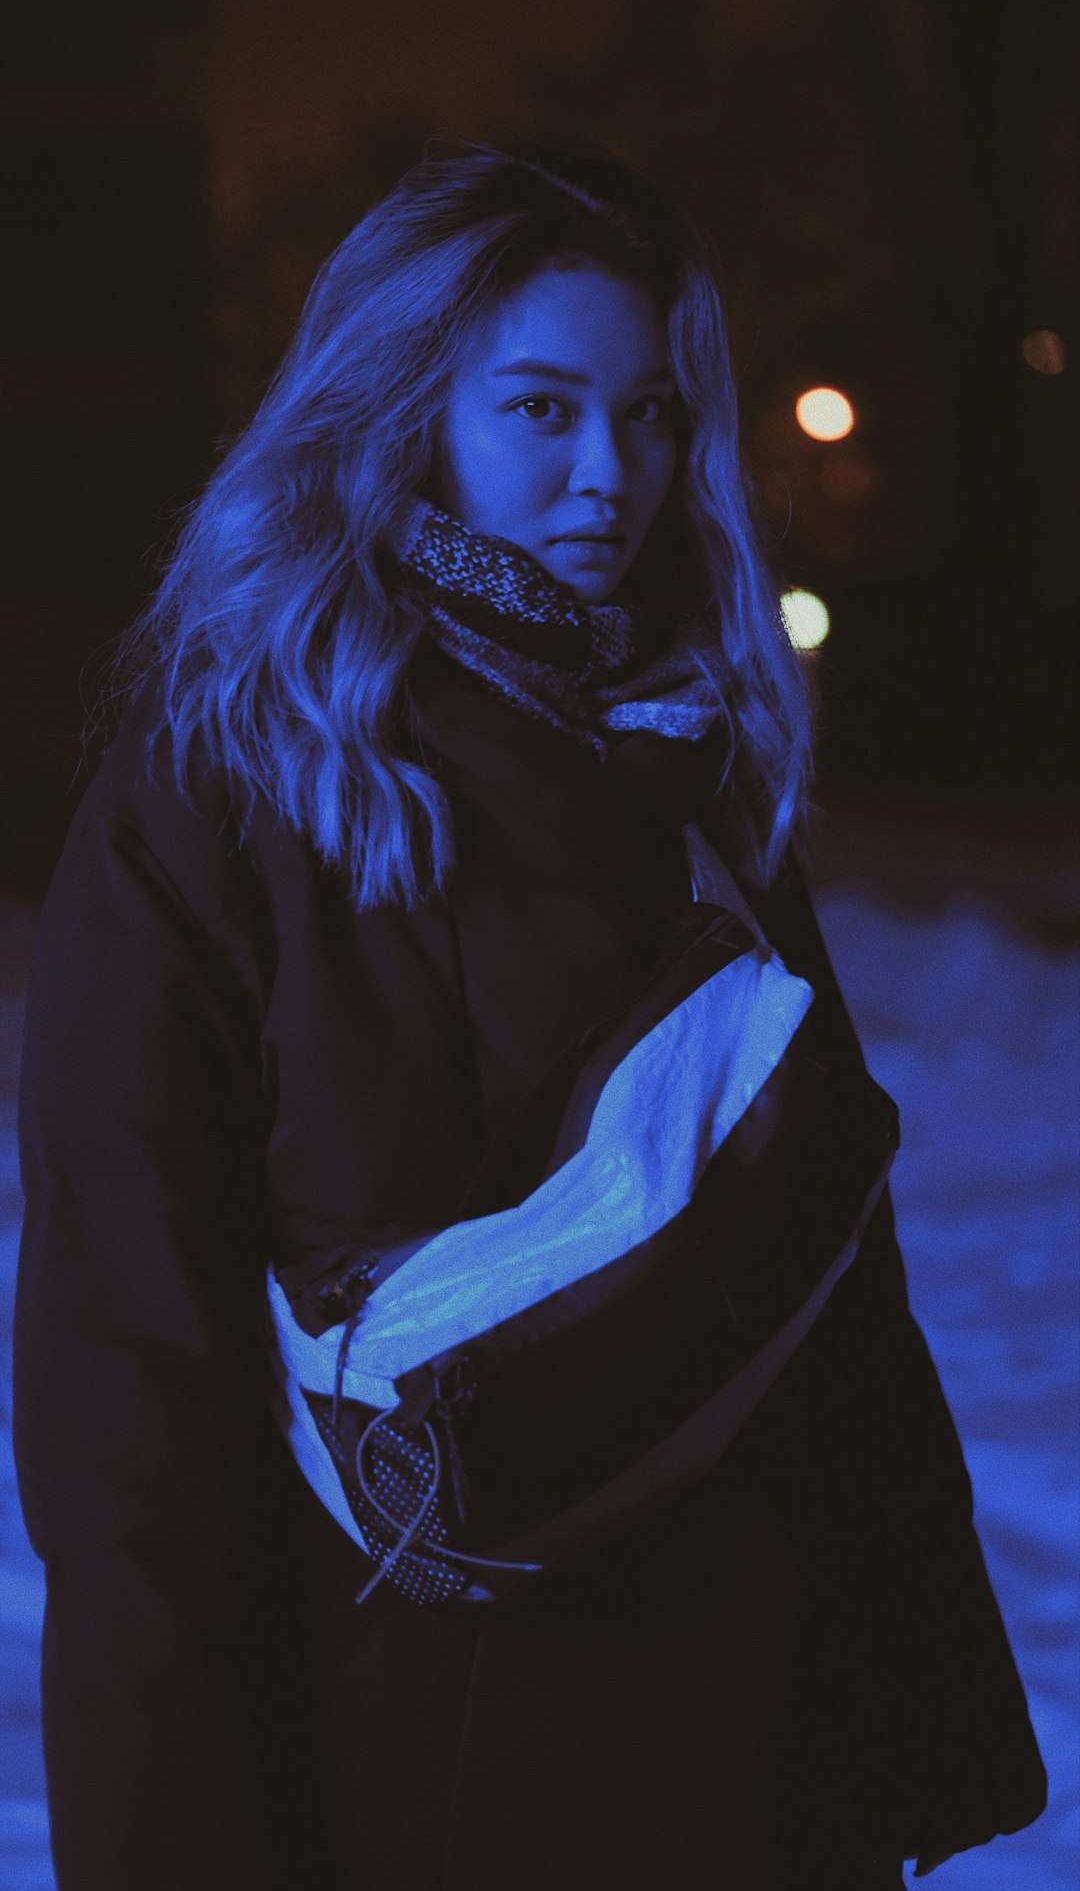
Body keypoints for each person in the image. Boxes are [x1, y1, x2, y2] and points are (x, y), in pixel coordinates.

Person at [14, 136, 1046, 1891]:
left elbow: (832, 1292)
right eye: (542, 411)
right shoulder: (226, 783)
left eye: (648, 417)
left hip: (767, 1763)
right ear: (406, 411)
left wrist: (909, 1743)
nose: (609, 478)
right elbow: (135, 1387)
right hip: (429, 1766)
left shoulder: (685, 763)